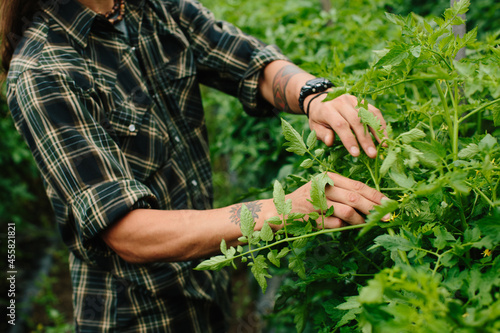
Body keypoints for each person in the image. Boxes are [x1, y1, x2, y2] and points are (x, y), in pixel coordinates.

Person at [1, 0, 388, 331]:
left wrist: (314, 96)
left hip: (208, 274)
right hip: (137, 310)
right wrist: (284, 210)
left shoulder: (156, 8)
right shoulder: (43, 71)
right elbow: (128, 231)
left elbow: (250, 64)